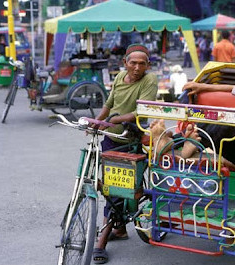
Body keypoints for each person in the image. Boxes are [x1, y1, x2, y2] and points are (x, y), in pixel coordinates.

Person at [92, 44, 158, 264]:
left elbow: (144, 110)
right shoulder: (120, 77)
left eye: (142, 64)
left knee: (115, 187)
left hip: (130, 140)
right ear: (125, 63)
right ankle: (119, 229)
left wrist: (118, 119)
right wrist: (98, 122)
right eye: (133, 63)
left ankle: (101, 242)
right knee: (108, 185)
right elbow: (110, 105)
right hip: (111, 139)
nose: (137, 67)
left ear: (147, 65)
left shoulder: (149, 80)